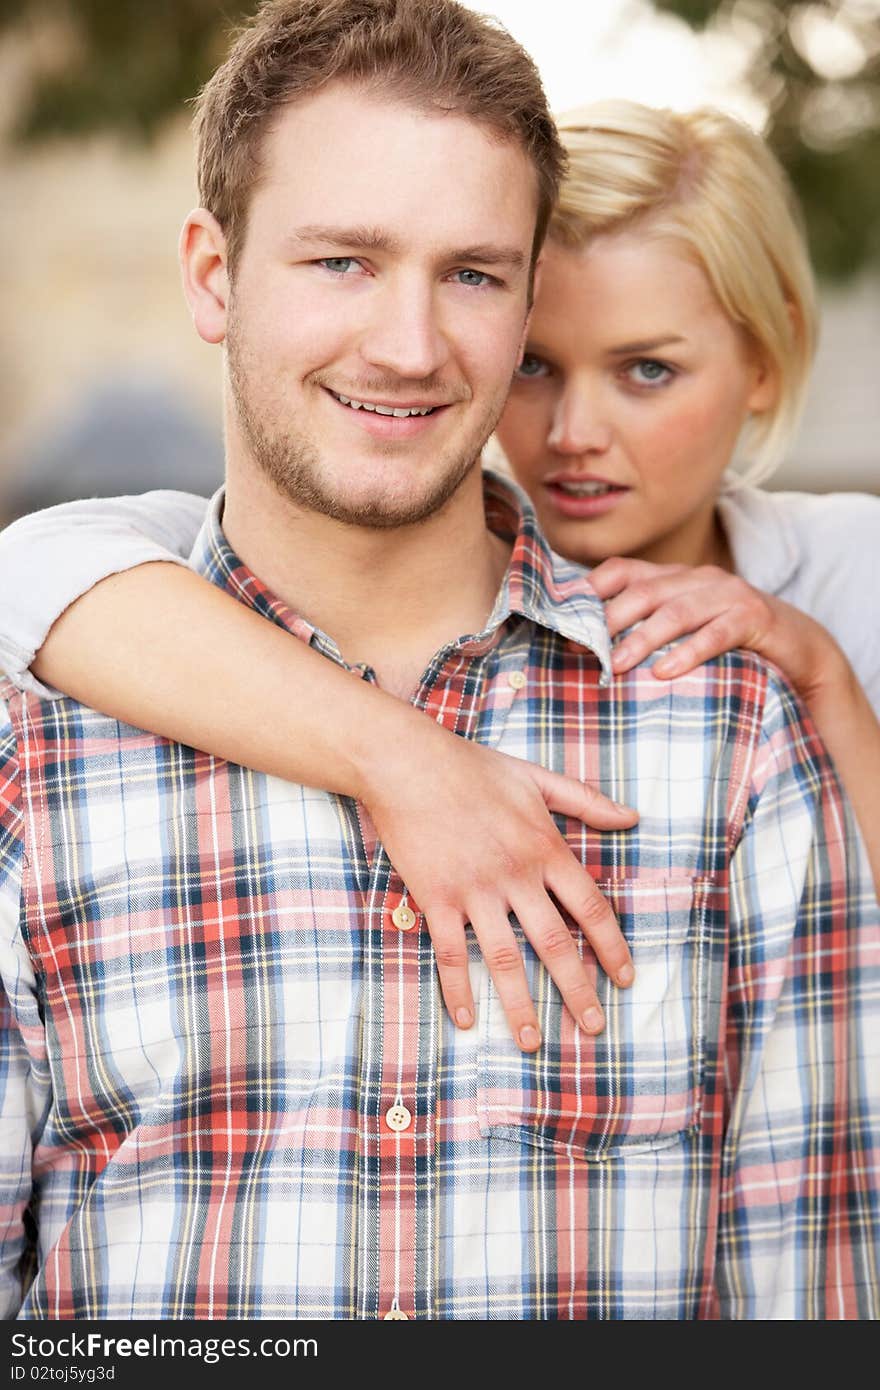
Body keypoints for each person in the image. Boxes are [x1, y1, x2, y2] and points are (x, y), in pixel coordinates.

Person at [0, 0, 877, 1320]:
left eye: (472, 274)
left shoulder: (747, 723)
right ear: (212, 275)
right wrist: (401, 755)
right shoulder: (47, 719)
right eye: (343, 261)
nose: (410, 346)